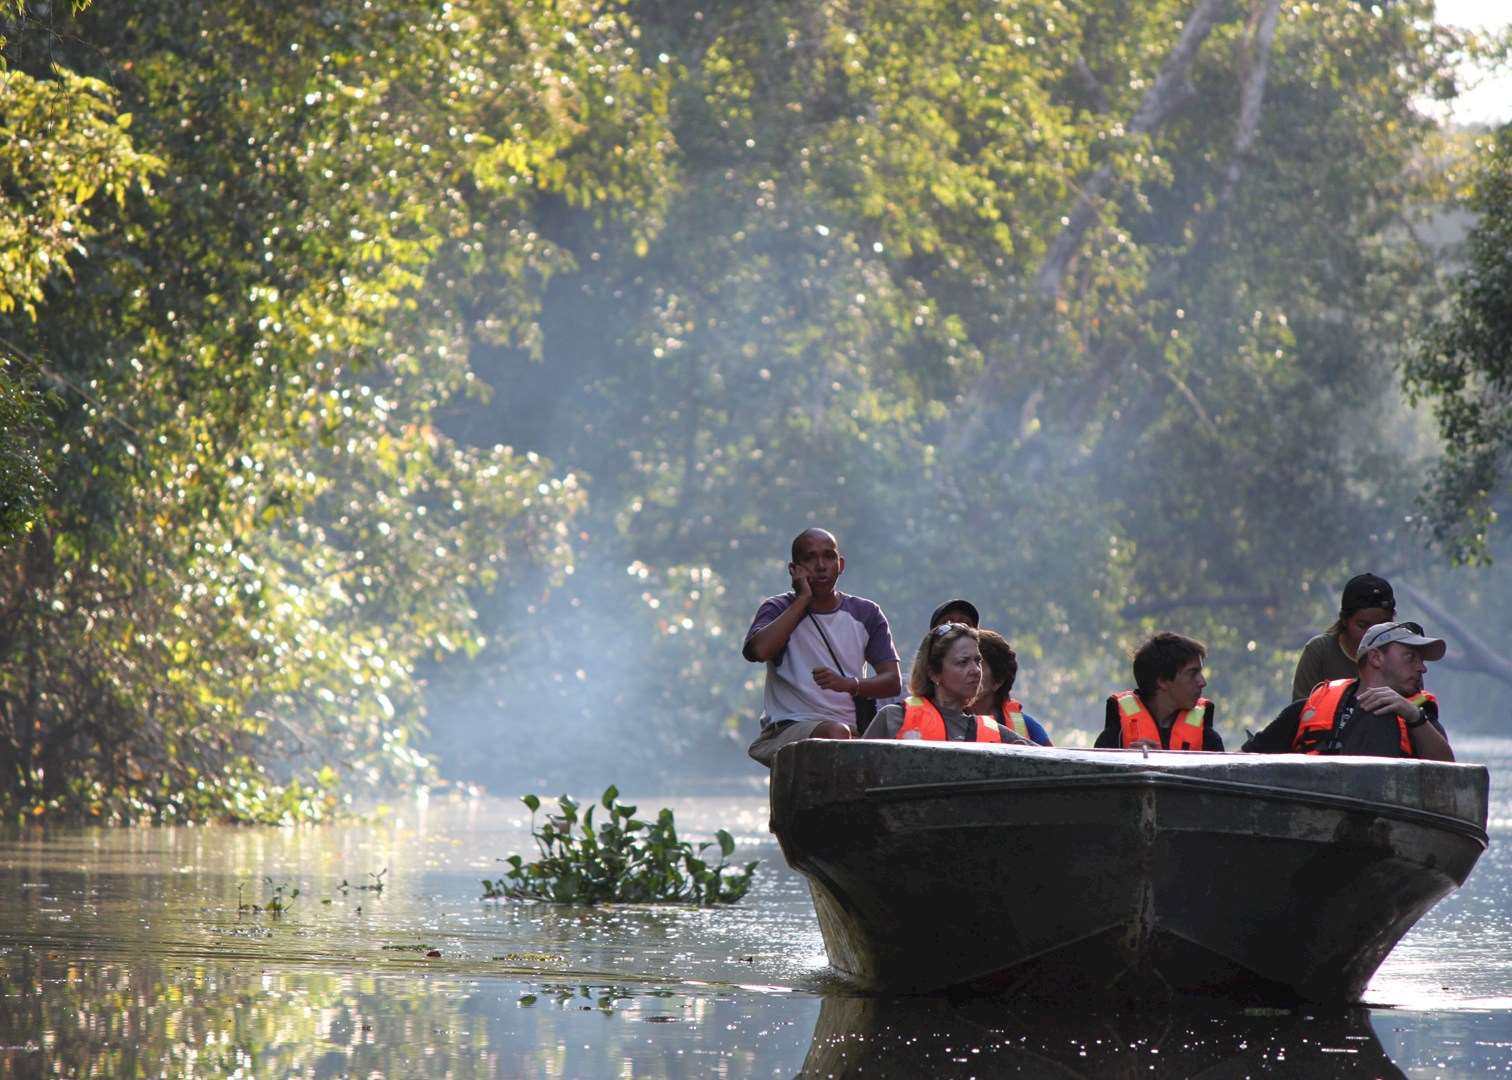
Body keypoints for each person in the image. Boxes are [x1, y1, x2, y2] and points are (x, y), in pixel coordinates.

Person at [743, 528, 901, 767]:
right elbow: (758, 651)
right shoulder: (777, 608)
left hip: (850, 731)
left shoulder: (866, 613)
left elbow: (892, 681)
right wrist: (803, 599)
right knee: (836, 734)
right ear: (794, 570)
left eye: (828, 556)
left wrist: (850, 684)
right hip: (790, 728)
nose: (820, 565)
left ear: (841, 564)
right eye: (810, 558)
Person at [1244, 620, 1454, 760]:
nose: (1422, 667)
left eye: (1422, 660)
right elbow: (1243, 760)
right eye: (1411, 657)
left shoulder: (1419, 718)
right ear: (1376, 658)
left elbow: (1447, 771)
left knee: (1380, 717)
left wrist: (1413, 716)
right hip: (1319, 812)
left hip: (1385, 819)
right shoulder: (1306, 709)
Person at [863, 623, 1032, 743]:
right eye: (963, 662)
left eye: (977, 661)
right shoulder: (894, 719)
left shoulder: (998, 734)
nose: (975, 670)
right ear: (934, 673)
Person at [1096, 632, 1224, 751]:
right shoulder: (1114, 737)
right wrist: (1128, 764)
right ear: (1162, 680)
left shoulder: (1208, 738)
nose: (1202, 682)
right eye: (1192, 673)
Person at [1291, 573, 1396, 702]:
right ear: (1344, 620)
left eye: (1381, 626)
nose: (1372, 634)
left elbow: (1418, 706)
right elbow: (1299, 711)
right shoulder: (1320, 652)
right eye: (1362, 625)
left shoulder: (1401, 656)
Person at [968, 629, 1052, 745]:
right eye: (963, 662)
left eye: (978, 664)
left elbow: (1053, 761)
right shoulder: (944, 717)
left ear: (997, 681)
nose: (969, 671)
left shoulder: (1027, 727)